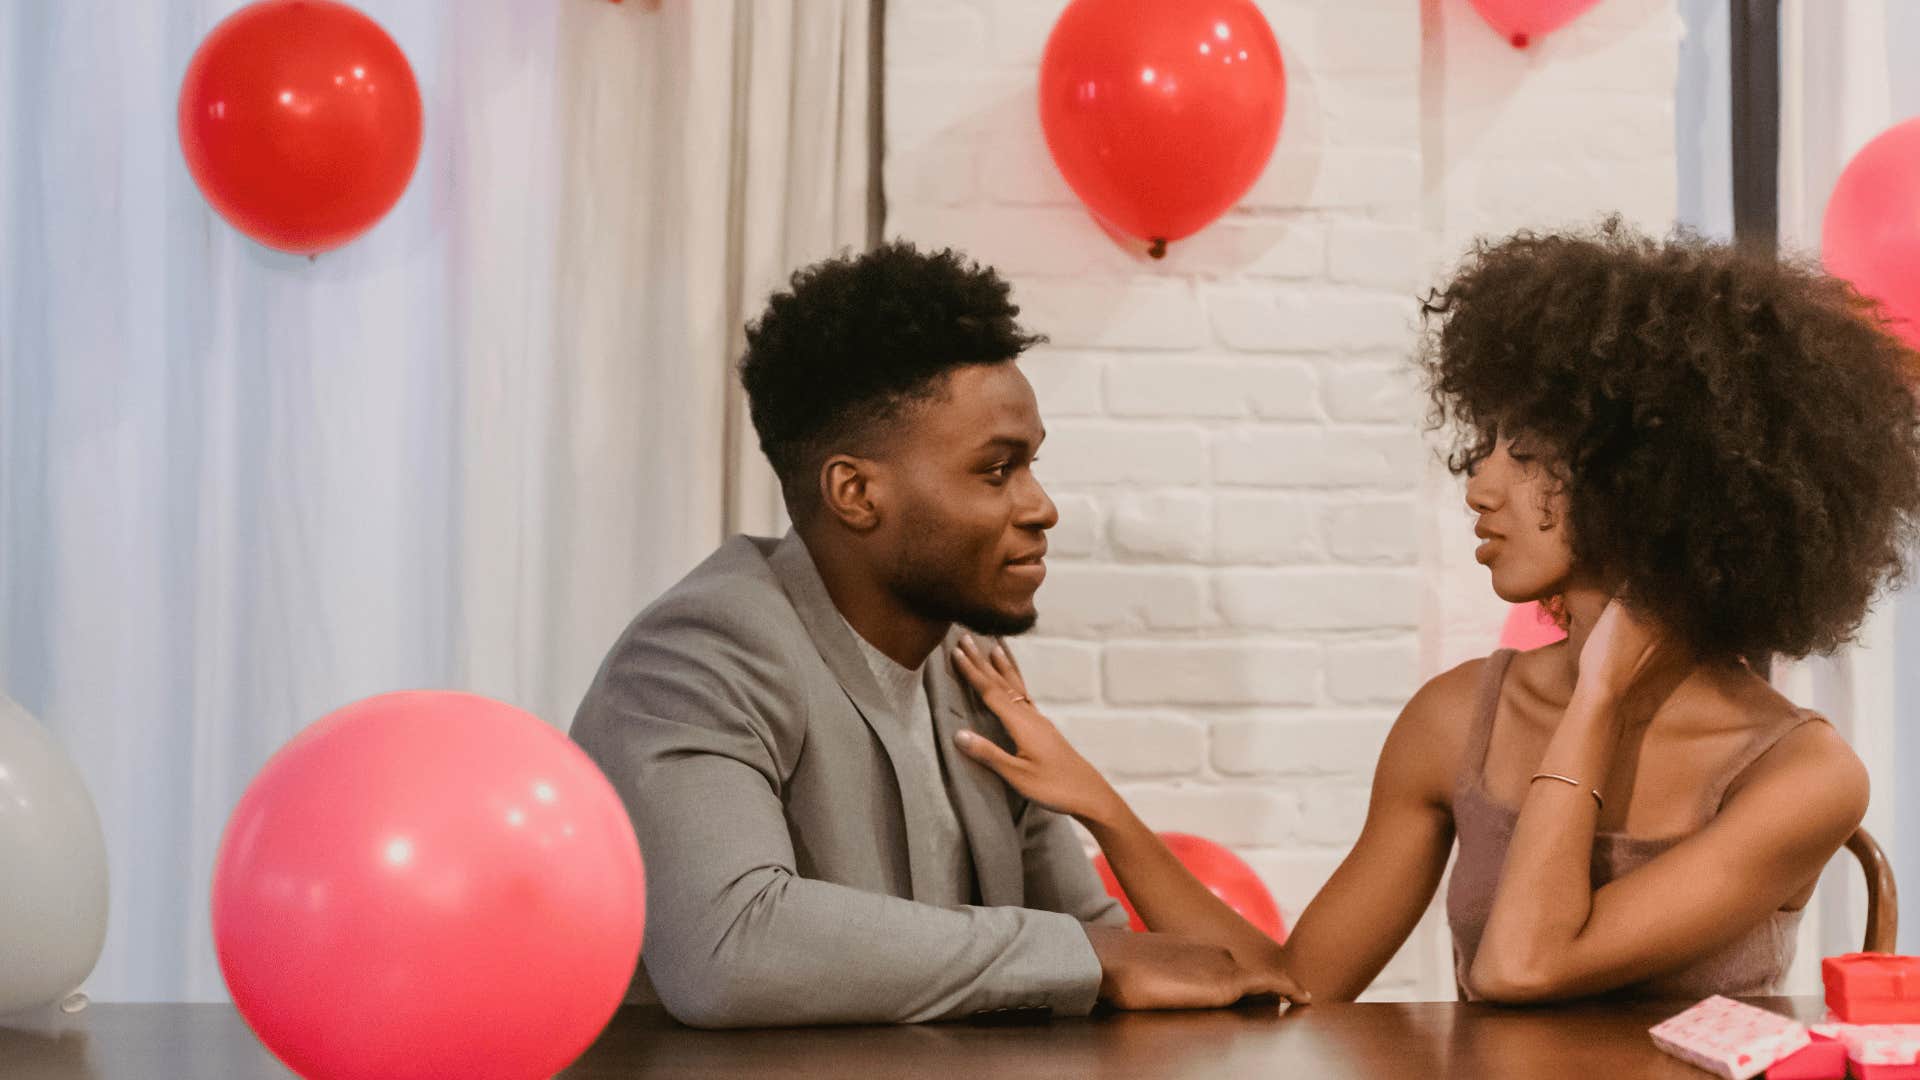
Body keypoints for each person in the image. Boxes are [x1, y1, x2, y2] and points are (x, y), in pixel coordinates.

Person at [949, 220, 1920, 1003]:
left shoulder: (1804, 775)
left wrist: (1593, 702)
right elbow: (1298, 983)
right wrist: (1100, 804)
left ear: (1647, 480)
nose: (1478, 483)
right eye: (1483, 443)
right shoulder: (1455, 720)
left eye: (1524, 450)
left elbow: (1525, 964)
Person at [571, 241, 1303, 1028]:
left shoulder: (968, 668)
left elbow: (1105, 950)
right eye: (997, 470)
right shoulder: (702, 652)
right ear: (855, 491)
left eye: (1031, 466)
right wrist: (1087, 959)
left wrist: (1100, 946)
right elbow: (732, 948)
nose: (1040, 505)